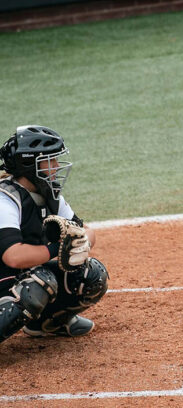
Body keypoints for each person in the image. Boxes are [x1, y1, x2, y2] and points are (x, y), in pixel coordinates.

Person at [0, 125, 108, 343]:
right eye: (50, 160)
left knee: (90, 275)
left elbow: (86, 230)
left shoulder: (48, 193)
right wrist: (56, 249)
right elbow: (13, 256)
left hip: (18, 276)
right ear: (30, 164)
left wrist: (81, 243)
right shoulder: (6, 199)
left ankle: (44, 324)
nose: (57, 166)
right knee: (38, 283)